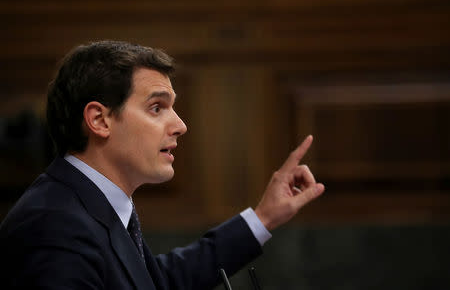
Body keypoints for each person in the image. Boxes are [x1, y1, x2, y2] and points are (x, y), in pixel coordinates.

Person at [0, 40, 325, 289]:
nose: (180, 125)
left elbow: (156, 282)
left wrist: (264, 217)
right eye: (156, 107)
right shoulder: (55, 227)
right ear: (99, 119)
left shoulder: (85, 203)